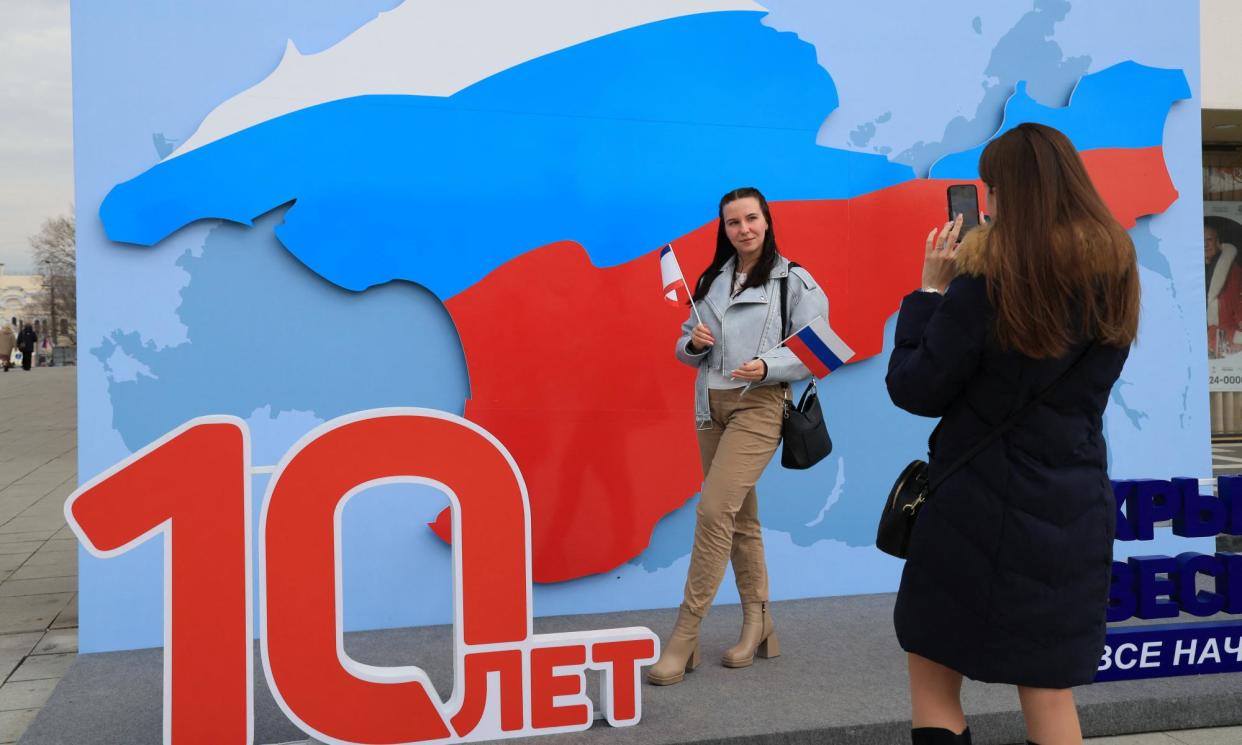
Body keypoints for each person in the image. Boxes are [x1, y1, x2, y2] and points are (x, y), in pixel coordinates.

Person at [886, 123, 1139, 745]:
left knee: (935, 673)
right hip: (1072, 507)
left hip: (973, 507)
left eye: (991, 188)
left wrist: (928, 290)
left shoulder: (985, 282)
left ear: (1008, 193)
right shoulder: (1115, 273)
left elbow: (916, 389)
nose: (986, 202)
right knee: (1049, 691)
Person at [647, 186, 829, 685]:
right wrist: (692, 341)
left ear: (767, 221)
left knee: (712, 510)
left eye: (751, 219)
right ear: (723, 228)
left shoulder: (793, 281)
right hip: (710, 408)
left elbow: (821, 351)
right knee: (741, 519)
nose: (743, 229)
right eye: (733, 222)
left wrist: (767, 364)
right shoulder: (711, 280)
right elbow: (690, 350)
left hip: (760, 406)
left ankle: (685, 635)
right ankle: (759, 621)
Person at [1205, 222, 1242, 358]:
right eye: (1201, 240)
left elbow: (1238, 304)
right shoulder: (1193, 270)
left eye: (1209, 239)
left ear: (1218, 242)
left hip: (1224, 338)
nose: (1205, 244)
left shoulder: (1232, 271)